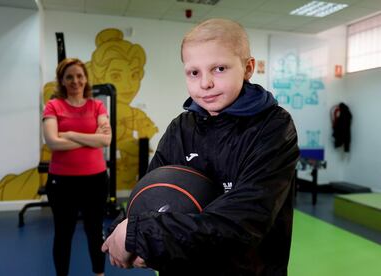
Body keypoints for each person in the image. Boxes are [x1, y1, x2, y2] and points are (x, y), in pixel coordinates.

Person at [102, 18, 299, 275]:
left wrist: (138, 233)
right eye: (194, 72)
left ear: (248, 67)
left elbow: (244, 220)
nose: (205, 83)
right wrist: (122, 227)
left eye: (219, 69)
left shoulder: (274, 127)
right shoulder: (181, 127)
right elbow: (151, 190)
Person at [43, 58, 112, 276]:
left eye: (80, 76)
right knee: (64, 233)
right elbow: (52, 142)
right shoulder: (53, 106)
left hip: (96, 180)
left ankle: (99, 274)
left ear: (86, 79)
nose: (75, 81)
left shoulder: (97, 105)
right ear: (62, 81)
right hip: (62, 182)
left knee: (95, 232)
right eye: (69, 76)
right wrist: (92, 138)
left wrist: (71, 135)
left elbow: (106, 141)